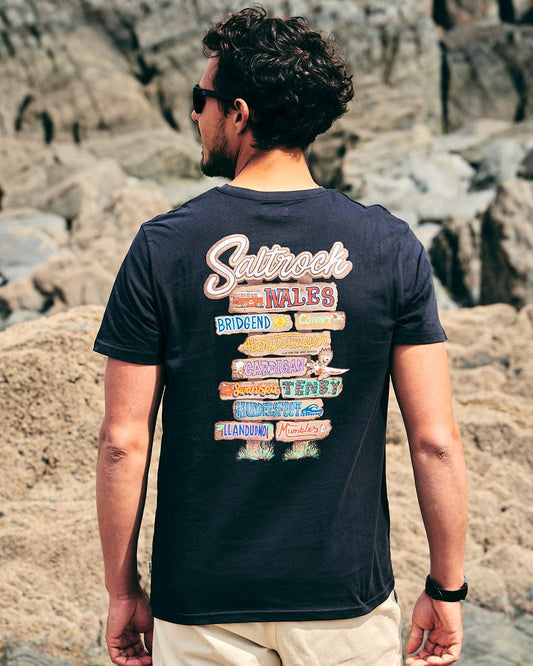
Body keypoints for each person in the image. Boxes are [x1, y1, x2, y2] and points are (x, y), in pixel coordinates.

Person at [94, 6, 467, 666]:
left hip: (202, 602)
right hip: (342, 605)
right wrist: (446, 587)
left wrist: (123, 594)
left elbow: (123, 442)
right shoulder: (388, 246)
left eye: (199, 100)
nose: (192, 116)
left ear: (237, 113)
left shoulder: (164, 247)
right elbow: (434, 440)